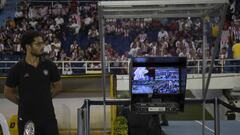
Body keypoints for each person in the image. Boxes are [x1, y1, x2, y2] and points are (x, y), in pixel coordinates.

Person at [4, 31, 62, 135]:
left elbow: (58, 87)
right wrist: (22, 103)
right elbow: (8, 93)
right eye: (38, 44)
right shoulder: (17, 69)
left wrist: (46, 99)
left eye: (42, 43)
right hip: (27, 119)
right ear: (28, 47)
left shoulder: (50, 66)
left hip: (48, 117)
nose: (42, 46)